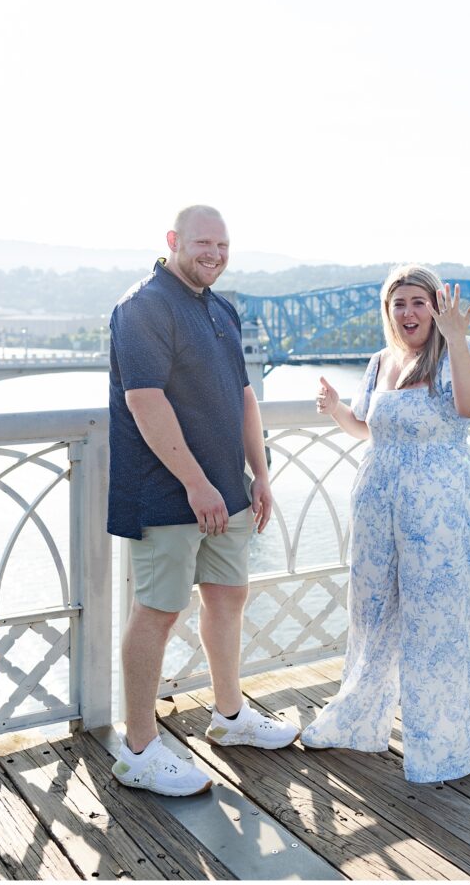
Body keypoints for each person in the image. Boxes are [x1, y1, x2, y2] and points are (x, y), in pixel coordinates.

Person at [108, 205, 299, 798]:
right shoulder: (143, 306)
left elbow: (243, 395)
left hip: (228, 491)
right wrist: (195, 483)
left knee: (228, 598)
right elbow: (145, 402)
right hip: (167, 494)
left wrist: (259, 473)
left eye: (221, 244)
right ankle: (139, 749)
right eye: (201, 243)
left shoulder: (222, 308)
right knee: (159, 611)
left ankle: (230, 716)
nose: (212, 253)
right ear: (172, 241)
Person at [300, 264, 470, 783]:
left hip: (438, 504)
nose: (409, 312)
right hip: (376, 499)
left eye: (418, 301)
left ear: (436, 305)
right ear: (387, 311)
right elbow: (368, 428)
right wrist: (336, 409)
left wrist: (455, 338)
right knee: (370, 610)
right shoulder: (379, 361)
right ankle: (358, 723)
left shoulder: (462, 348)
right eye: (398, 303)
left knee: (436, 622)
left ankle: (439, 750)